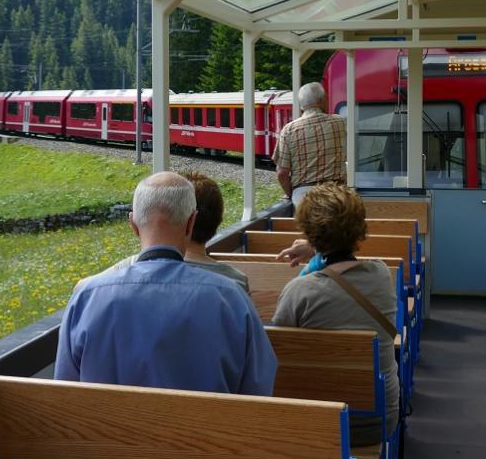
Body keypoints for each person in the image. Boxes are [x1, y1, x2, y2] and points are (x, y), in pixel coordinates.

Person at [55, 171, 276, 395]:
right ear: (191, 222)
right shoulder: (231, 298)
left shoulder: (87, 297)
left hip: (104, 430)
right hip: (204, 430)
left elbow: (64, 392)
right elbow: (257, 392)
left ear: (133, 224)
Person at [272, 183, 399, 446]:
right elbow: (344, 264)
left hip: (317, 422)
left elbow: (278, 358)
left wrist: (317, 252)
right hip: (377, 421)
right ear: (359, 230)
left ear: (309, 232)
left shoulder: (299, 291)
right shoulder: (382, 275)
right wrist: (320, 250)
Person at [103, 171, 249, 293]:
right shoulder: (235, 283)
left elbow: (83, 286)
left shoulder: (119, 273)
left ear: (134, 225)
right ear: (218, 220)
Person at [272, 82, 346, 207]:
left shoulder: (289, 130)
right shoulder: (340, 122)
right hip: (336, 193)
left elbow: (282, 173)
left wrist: (292, 194)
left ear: (301, 106)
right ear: (322, 101)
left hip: (304, 196)